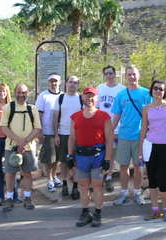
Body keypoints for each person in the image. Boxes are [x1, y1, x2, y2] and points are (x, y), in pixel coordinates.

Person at [68, 87, 113, 227]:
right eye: (87, 96)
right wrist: (70, 156)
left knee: (97, 185)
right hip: (81, 157)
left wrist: (108, 159)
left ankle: (98, 213)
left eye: (92, 96)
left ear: (97, 98)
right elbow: (72, 139)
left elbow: (110, 139)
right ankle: (85, 212)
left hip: (98, 156)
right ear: (82, 97)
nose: (90, 98)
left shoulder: (104, 116)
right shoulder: (75, 117)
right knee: (83, 186)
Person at [138, 80, 166, 221]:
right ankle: (155, 210)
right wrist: (140, 150)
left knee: (163, 179)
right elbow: (144, 129)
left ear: (165, 92)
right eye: (156, 88)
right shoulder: (146, 108)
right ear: (151, 90)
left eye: (161, 89)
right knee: (152, 179)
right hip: (150, 146)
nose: (158, 91)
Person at [112, 65, 151, 206]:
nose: (131, 77)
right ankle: (123, 193)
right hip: (123, 136)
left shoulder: (146, 94)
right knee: (123, 166)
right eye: (129, 74)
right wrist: (110, 132)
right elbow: (116, 116)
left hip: (140, 137)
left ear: (138, 76)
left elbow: (152, 115)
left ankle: (137, 193)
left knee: (138, 166)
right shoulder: (121, 95)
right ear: (125, 77)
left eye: (134, 74)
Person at [0, 84, 41, 212]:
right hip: (11, 147)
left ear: (27, 93)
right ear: (15, 92)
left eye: (23, 92)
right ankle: (9, 198)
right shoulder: (8, 108)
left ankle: (27, 197)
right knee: (10, 173)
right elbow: (3, 127)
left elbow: (37, 128)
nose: (21, 95)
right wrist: (19, 141)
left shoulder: (32, 109)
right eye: (18, 92)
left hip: (28, 147)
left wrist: (25, 142)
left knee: (27, 173)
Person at [97, 65, 125, 192]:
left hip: (116, 126)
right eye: (106, 73)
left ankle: (108, 177)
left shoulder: (121, 89)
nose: (109, 75)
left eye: (111, 73)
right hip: (101, 126)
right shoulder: (100, 88)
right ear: (104, 75)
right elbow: (96, 107)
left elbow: (124, 109)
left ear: (115, 74)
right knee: (101, 152)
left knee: (112, 153)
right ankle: (100, 177)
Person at [53, 76, 81, 199]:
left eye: (75, 83)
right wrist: (56, 134)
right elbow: (55, 117)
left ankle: (75, 186)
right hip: (63, 134)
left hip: (78, 135)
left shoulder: (81, 99)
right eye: (70, 82)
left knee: (76, 162)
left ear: (78, 85)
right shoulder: (60, 98)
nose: (72, 85)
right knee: (63, 162)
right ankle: (64, 184)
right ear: (66, 83)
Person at [35, 73, 63, 193]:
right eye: (51, 81)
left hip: (61, 131)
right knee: (49, 158)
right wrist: (39, 131)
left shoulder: (63, 96)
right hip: (47, 132)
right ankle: (49, 179)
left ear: (60, 82)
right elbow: (38, 114)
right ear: (48, 82)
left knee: (57, 157)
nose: (54, 83)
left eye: (56, 81)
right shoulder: (43, 96)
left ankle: (54, 175)